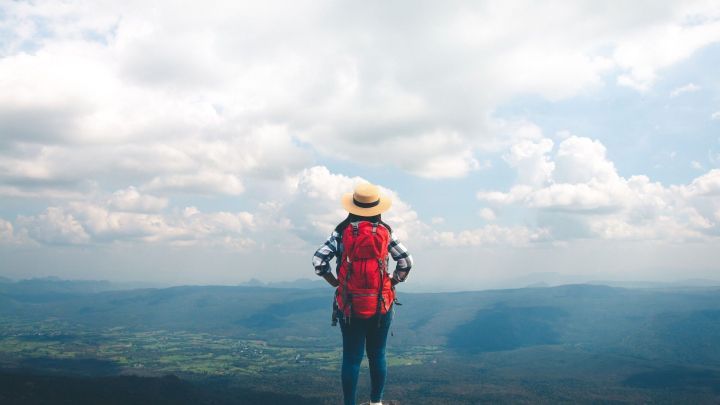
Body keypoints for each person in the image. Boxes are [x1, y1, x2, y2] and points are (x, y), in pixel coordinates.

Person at [313, 183, 413, 405]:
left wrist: (333, 281)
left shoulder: (341, 232)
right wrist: (391, 281)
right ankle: (376, 402)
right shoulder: (385, 232)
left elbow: (318, 260)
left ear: (352, 206)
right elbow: (406, 261)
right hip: (381, 304)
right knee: (378, 355)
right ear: (377, 207)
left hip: (349, 304)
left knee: (351, 358)